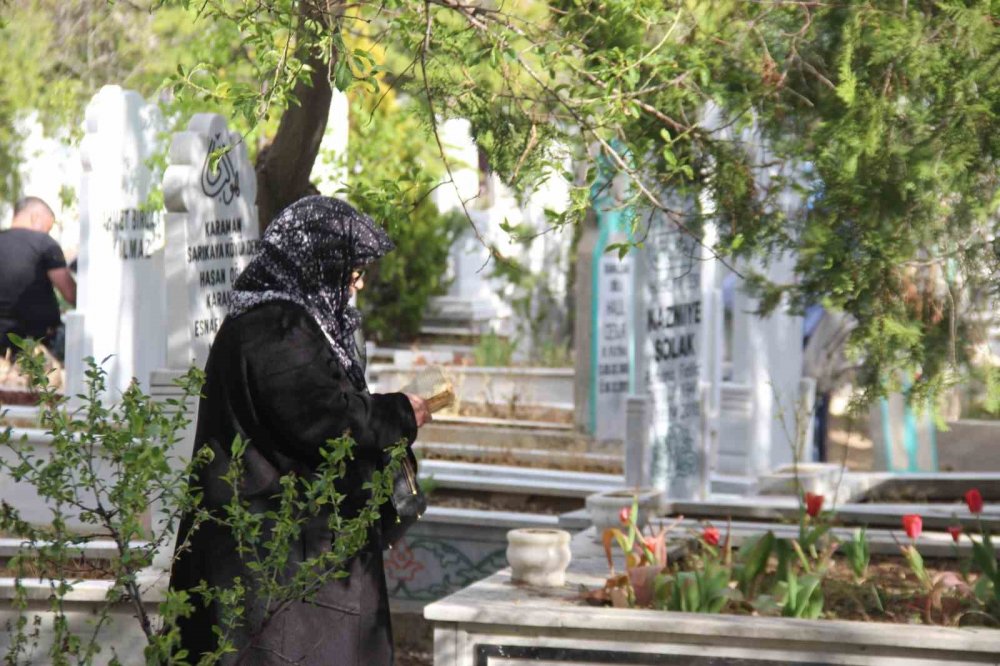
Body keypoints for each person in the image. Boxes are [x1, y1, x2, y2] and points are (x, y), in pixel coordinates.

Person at [169, 196, 431, 665]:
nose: (359, 282)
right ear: (318, 265)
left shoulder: (284, 322)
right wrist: (403, 412)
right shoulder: (277, 327)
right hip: (277, 565)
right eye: (352, 269)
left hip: (290, 558)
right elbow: (327, 423)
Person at [0, 197, 76, 360]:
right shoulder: (44, 243)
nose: (47, 233)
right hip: (36, 344)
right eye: (47, 228)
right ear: (35, 217)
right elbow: (71, 294)